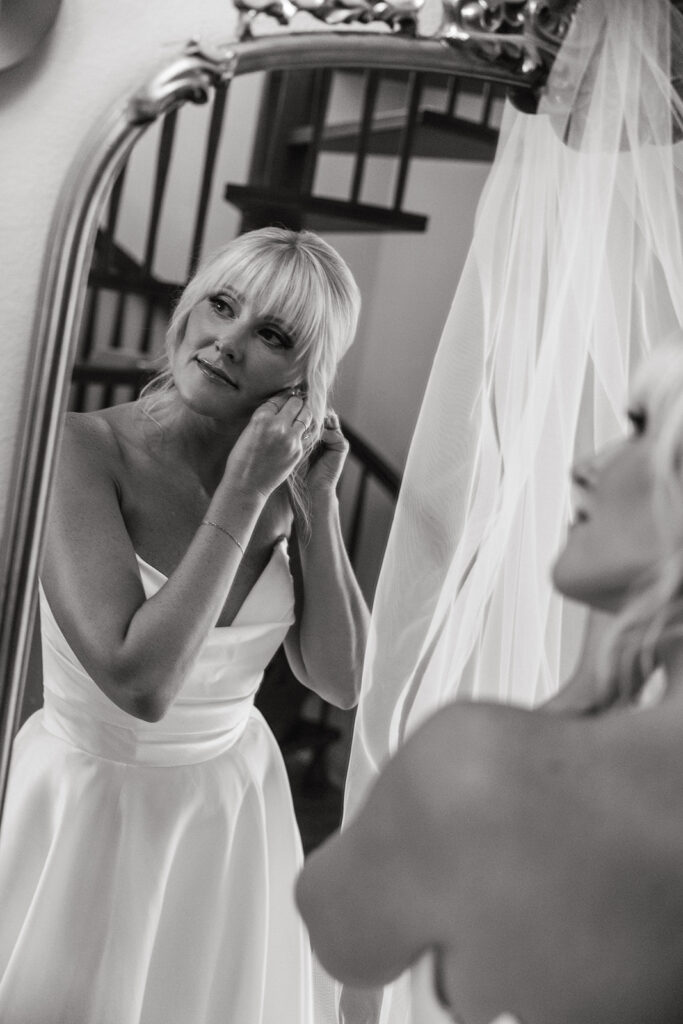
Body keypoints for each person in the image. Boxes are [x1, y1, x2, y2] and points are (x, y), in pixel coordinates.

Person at [0, 226, 369, 1024]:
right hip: (93, 803)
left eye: (270, 335)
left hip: (232, 809)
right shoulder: (78, 451)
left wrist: (316, 505)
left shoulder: (283, 480)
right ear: (188, 309)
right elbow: (139, 681)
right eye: (222, 306)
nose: (228, 342)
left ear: (305, 376)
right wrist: (240, 495)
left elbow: (340, 681)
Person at [295, 341, 683, 1024]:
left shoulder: (480, 767)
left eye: (645, 432)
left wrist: (575, 700)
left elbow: (337, 930)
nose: (586, 467)